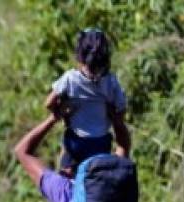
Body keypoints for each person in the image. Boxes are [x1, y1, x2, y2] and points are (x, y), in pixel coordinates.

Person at [44, 28, 131, 170]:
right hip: (100, 143)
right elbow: (121, 109)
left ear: (79, 55)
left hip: (75, 142)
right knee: (96, 176)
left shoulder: (70, 79)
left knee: (67, 174)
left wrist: (61, 112)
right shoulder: (111, 82)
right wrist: (111, 116)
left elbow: (48, 103)